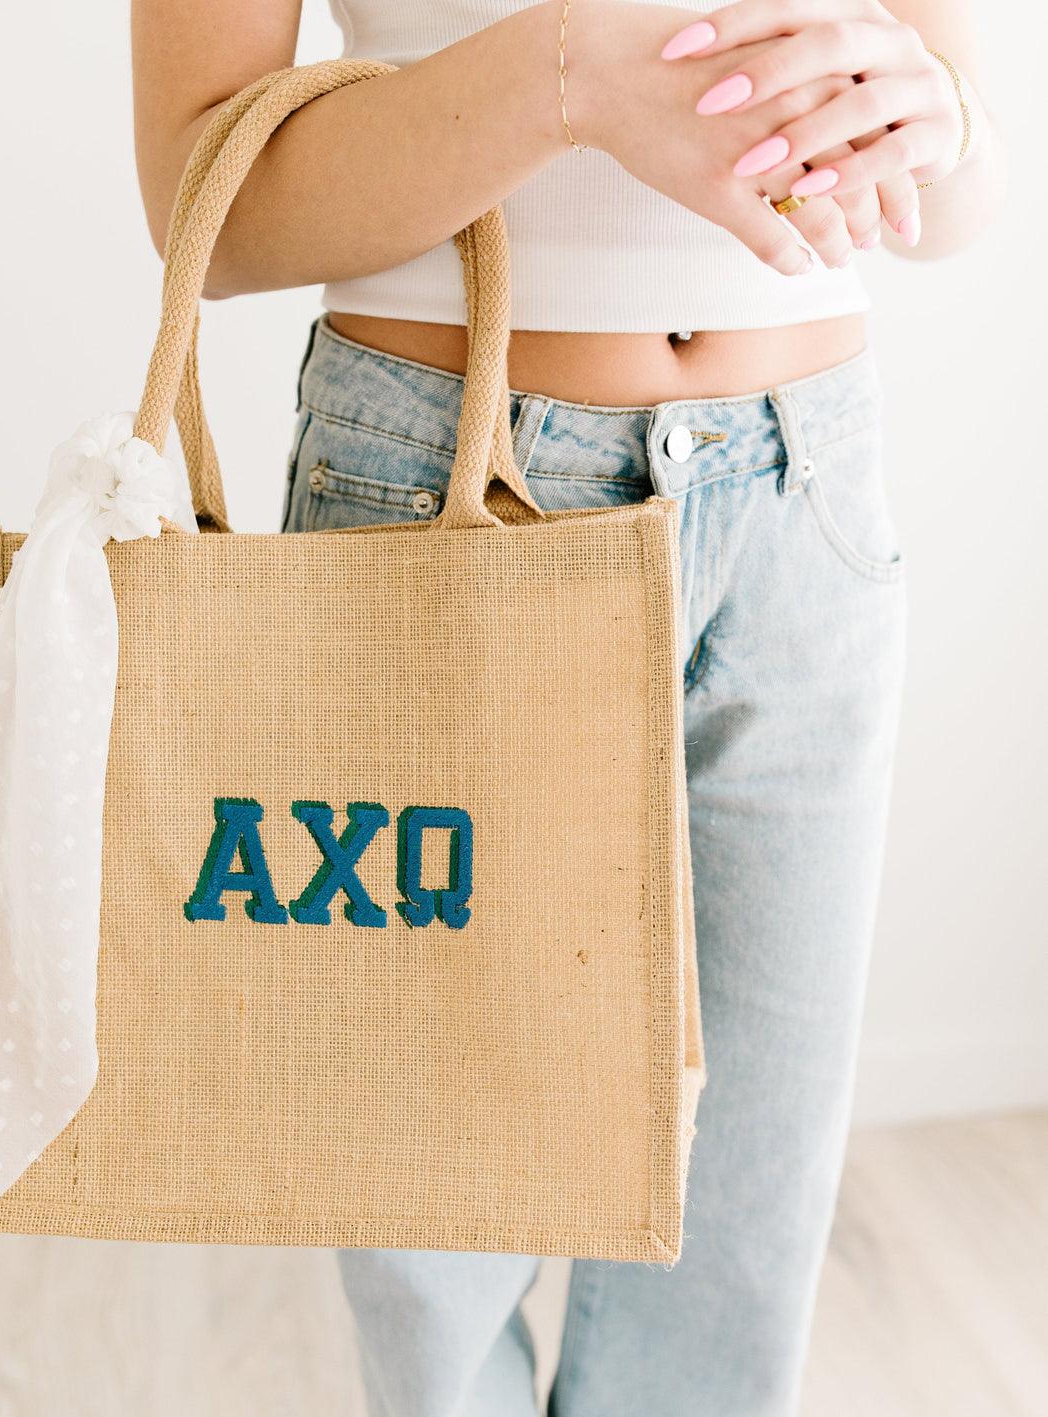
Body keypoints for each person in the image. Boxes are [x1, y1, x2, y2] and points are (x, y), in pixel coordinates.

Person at [132, 2, 1008, 1413]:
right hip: (441, 481)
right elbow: (202, 200)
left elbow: (957, 187)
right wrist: (566, 77)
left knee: (746, 1205)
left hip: (806, 490)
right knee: (431, 1213)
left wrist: (943, 121)